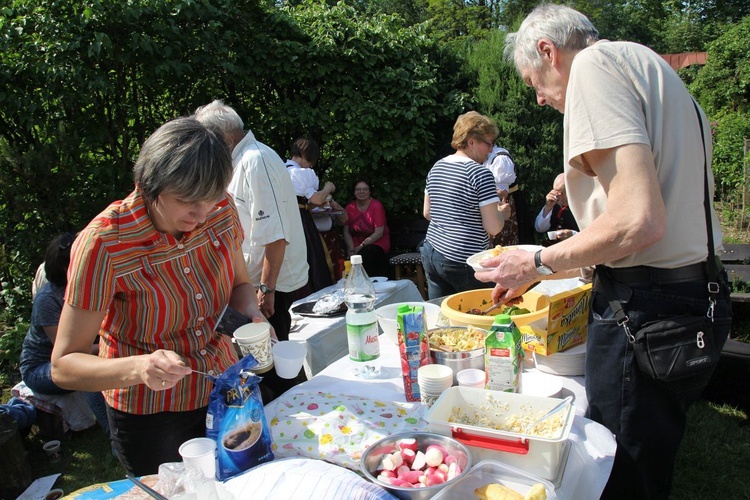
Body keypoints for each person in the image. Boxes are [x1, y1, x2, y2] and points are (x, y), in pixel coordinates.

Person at [478, 5, 732, 499]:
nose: (538, 98)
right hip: (694, 297)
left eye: (535, 81)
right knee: (650, 463)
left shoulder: (592, 68)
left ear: (549, 52)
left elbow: (638, 220)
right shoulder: (649, 66)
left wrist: (533, 262)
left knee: (619, 471)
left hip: (646, 308)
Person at [50, 117, 269, 476]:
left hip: (223, 387)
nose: (201, 216)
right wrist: (140, 367)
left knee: (242, 483)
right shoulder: (105, 244)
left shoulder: (220, 210)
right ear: (149, 185)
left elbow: (240, 286)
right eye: (187, 203)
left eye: (210, 201)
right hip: (152, 415)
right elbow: (64, 365)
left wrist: (251, 313)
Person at [194, 100, 309, 402]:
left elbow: (275, 236)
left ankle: (298, 414)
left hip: (268, 285)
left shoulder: (255, 161)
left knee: (274, 365)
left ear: (224, 138)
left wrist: (265, 291)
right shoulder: (241, 160)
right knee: (263, 364)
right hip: (254, 285)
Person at [20, 233, 109, 436]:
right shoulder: (48, 300)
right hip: (41, 367)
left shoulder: (90, 288)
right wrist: (113, 346)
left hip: (82, 351)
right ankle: (114, 438)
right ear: (66, 268)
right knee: (86, 372)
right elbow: (70, 353)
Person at [421, 111, 511, 299]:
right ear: (471, 141)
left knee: (443, 314)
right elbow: (494, 228)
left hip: (432, 251)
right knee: (480, 313)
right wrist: (503, 214)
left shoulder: (437, 166)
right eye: (488, 143)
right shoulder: (480, 174)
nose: (491, 150)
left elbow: (428, 213)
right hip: (463, 259)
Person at [285, 137, 336, 294]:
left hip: (285, 220)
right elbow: (317, 199)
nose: (312, 165)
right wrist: (328, 188)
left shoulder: (280, 169)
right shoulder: (299, 173)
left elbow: (306, 202)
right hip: (301, 221)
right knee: (312, 259)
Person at [483, 145, 534, 246]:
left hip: (504, 203)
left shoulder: (500, 158)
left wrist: (480, 197)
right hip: (491, 203)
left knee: (504, 243)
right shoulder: (482, 157)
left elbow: (502, 191)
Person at [343, 180, 391, 278]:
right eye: (358, 189)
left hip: (377, 242)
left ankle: (370, 282)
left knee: (366, 253)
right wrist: (351, 249)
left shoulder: (376, 206)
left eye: (365, 189)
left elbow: (379, 232)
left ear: (370, 191)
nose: (361, 192)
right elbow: (346, 231)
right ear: (354, 192)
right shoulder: (349, 207)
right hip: (355, 244)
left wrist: (361, 246)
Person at [533, 173, 579, 245]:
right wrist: (548, 208)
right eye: (557, 193)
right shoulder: (555, 204)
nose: (559, 197)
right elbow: (539, 228)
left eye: (563, 193)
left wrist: (573, 234)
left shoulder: (582, 206)